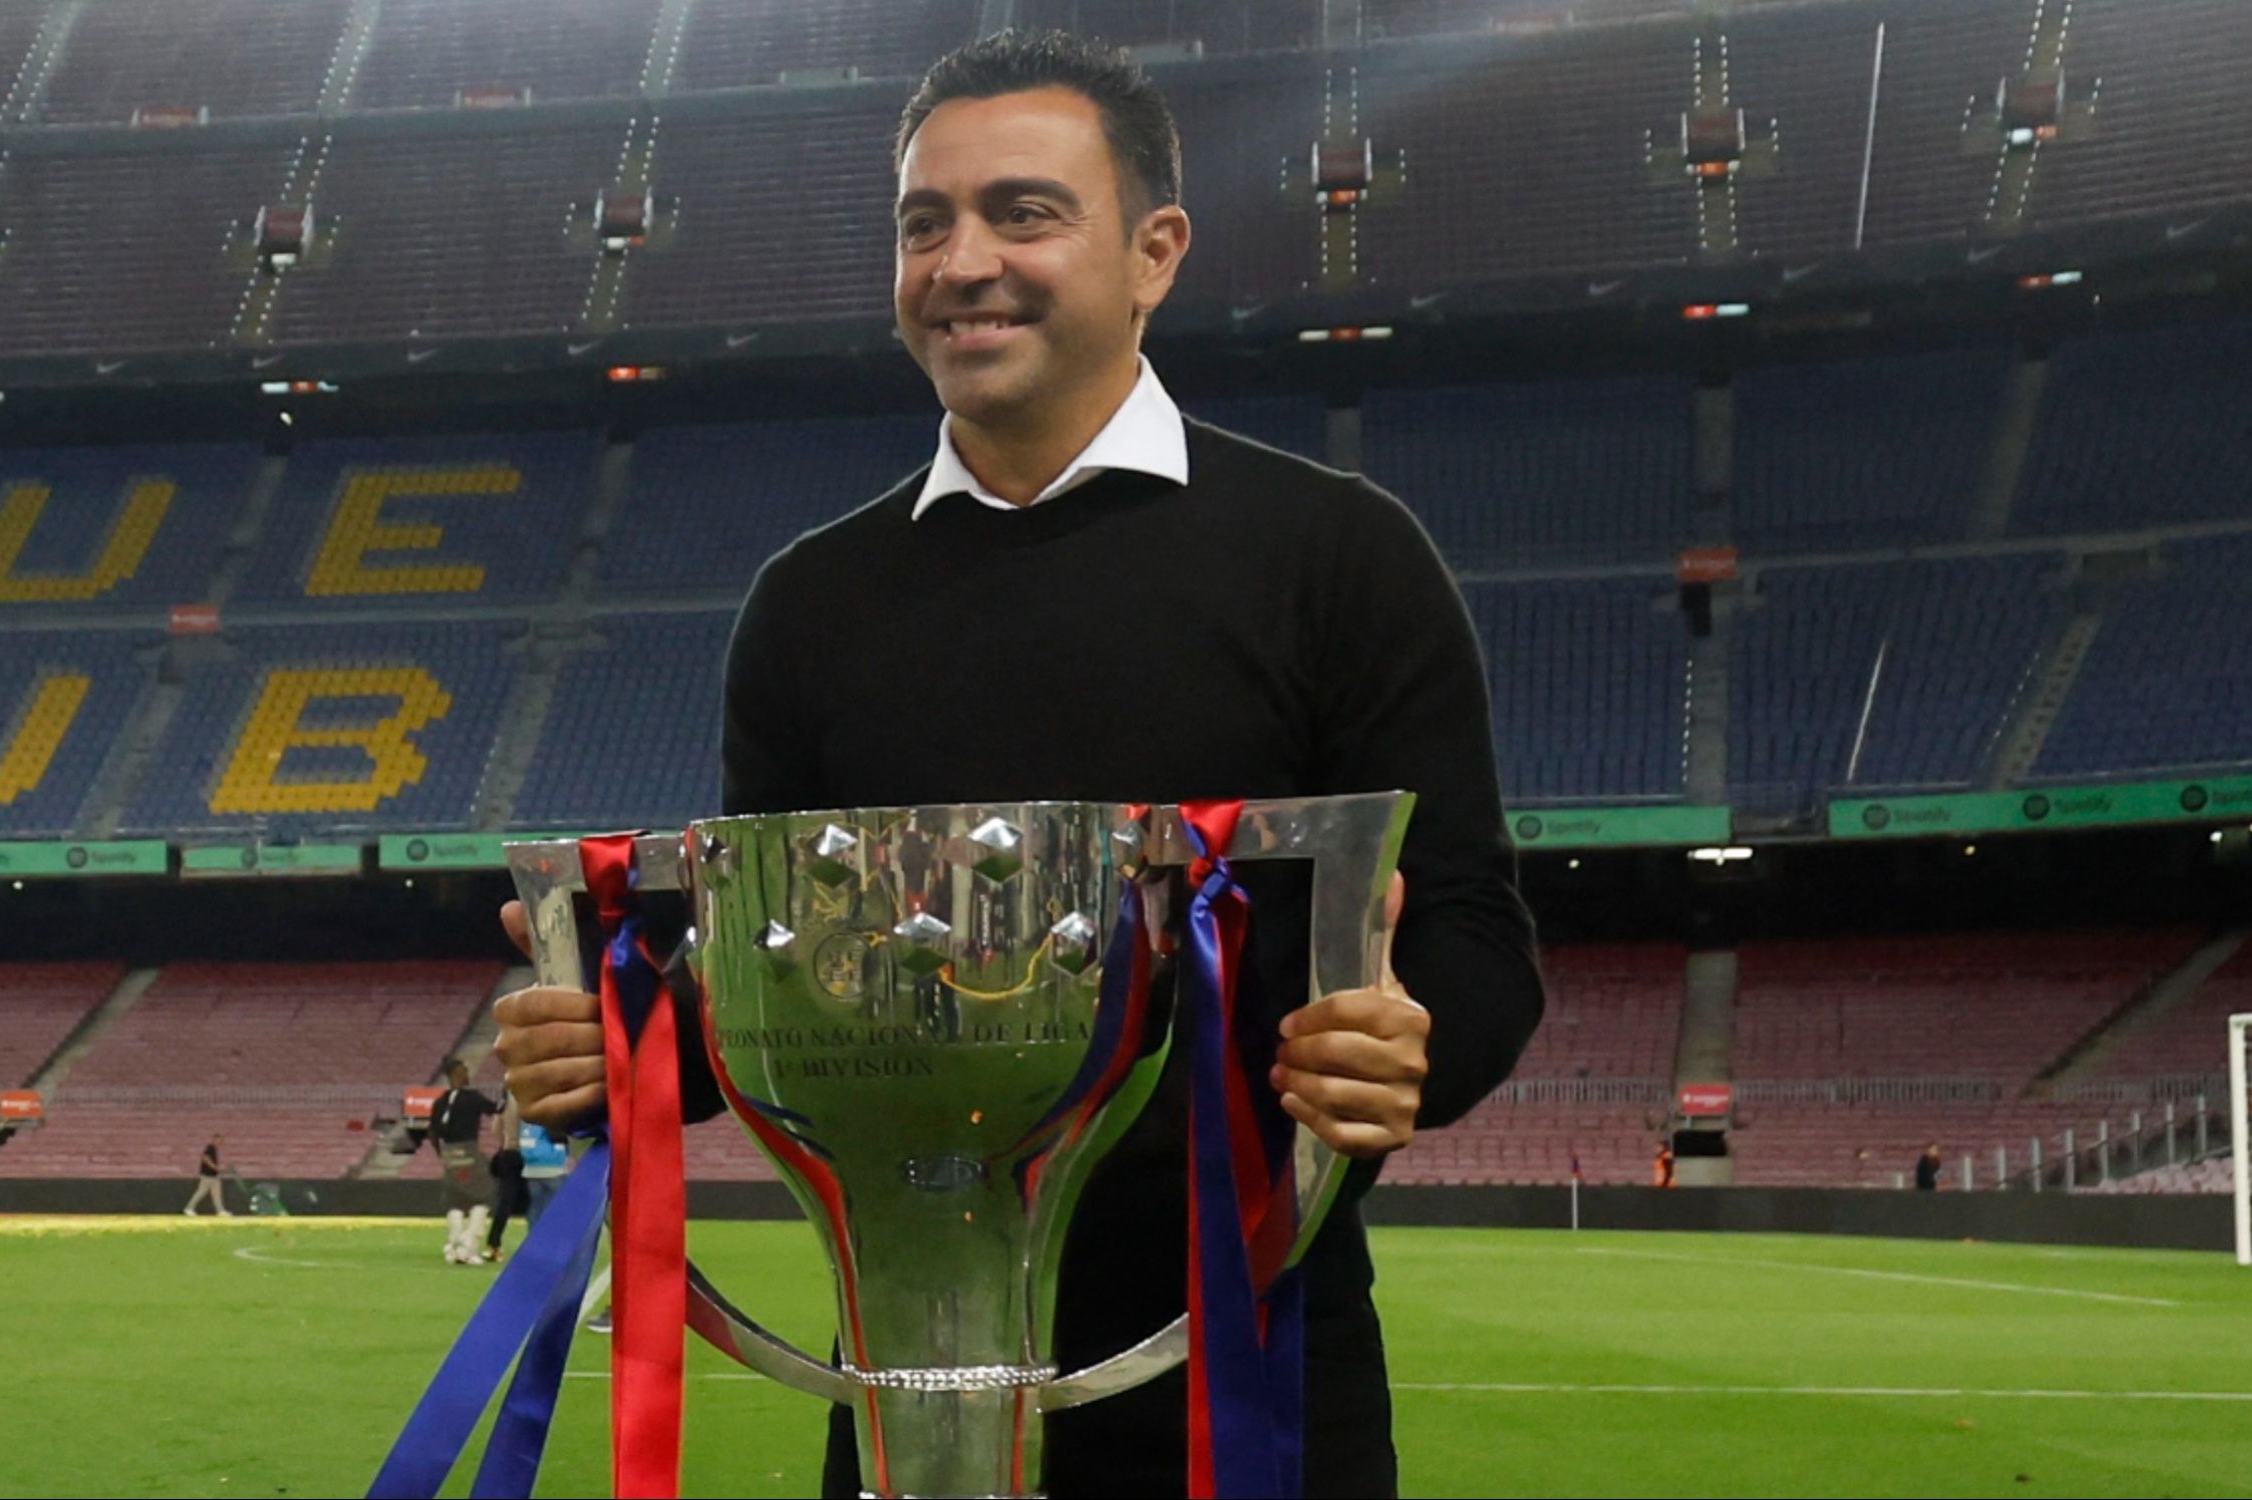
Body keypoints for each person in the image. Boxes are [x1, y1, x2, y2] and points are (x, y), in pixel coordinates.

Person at [491, 31, 1544, 1496]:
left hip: (1250, 1388)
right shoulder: (811, 604)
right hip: (911, 1392)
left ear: (1154, 252)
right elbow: (785, 990)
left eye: (1024, 213)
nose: (963, 260)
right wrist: (620, 1052)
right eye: (926, 223)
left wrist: (1410, 1049)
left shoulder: (1338, 558)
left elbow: (1476, 934)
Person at [427, 1059, 500, 1264]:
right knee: (484, 1196)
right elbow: (496, 1109)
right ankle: (468, 1245)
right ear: (455, 1075)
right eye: (464, 1071)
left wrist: (441, 1155)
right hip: (468, 1151)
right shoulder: (472, 1098)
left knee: (455, 1200)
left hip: (449, 1154)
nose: (468, 1075)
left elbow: (432, 1132)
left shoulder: (441, 1101)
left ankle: (453, 1244)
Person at [482, 1112, 528, 1262]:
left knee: (505, 1201)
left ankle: (493, 1243)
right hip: (526, 1154)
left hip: (507, 1153)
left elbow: (495, 1127)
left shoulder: (504, 1101)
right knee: (537, 1200)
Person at [184, 1133, 231, 1216]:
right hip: (207, 1175)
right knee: (201, 1192)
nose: (221, 1142)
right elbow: (205, 1158)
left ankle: (220, 1211)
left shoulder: (214, 1149)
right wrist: (215, 1167)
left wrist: (216, 1170)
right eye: (220, 1140)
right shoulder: (210, 1147)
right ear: (215, 1139)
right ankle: (189, 1208)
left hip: (213, 1176)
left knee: (216, 1194)